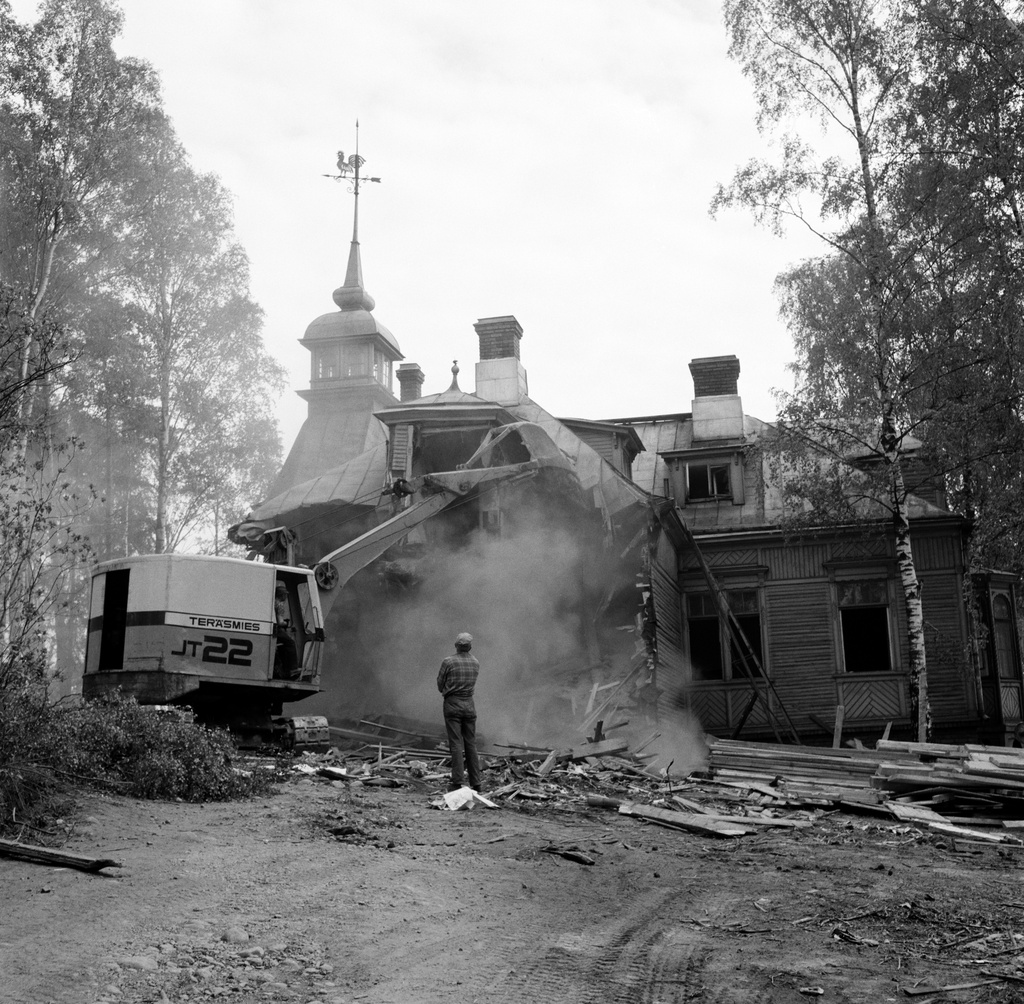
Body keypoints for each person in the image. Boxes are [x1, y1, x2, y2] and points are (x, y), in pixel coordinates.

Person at [436, 631, 482, 792]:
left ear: (456, 646)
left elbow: (440, 684)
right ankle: (476, 782)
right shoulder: (476, 662)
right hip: (469, 705)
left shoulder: (448, 662)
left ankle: (458, 781)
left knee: (456, 743)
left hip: (452, 704)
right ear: (470, 647)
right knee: (471, 743)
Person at [274, 583, 299, 680]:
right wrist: (286, 623)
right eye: (285, 594)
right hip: (277, 629)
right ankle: (293, 669)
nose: (286, 596)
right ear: (281, 595)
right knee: (290, 643)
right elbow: (280, 622)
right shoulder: (280, 604)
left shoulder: (273, 602)